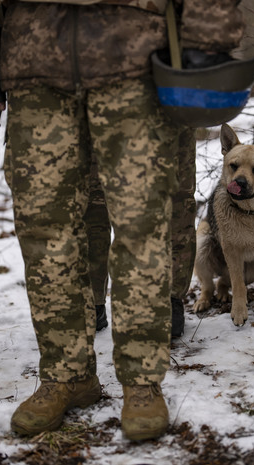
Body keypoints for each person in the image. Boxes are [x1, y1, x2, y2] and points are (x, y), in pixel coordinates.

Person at [0, 0, 244, 441]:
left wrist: (207, 37)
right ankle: (66, 374)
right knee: (44, 230)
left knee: (142, 226)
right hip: (34, 59)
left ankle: (142, 381)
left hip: (135, 60)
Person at [87, 126, 197, 339]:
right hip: (96, 98)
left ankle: (168, 300)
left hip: (170, 100)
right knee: (93, 195)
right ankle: (91, 302)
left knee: (175, 194)